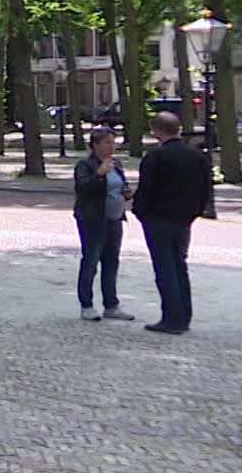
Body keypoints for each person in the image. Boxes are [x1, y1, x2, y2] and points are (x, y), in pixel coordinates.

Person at [131, 111, 213, 335]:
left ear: (156, 131)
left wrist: (140, 212)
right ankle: (183, 316)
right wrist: (194, 213)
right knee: (179, 267)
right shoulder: (198, 157)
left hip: (159, 219)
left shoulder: (155, 157)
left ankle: (172, 318)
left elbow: (146, 191)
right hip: (184, 220)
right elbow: (206, 189)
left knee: (165, 269)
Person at [73, 126, 135, 321]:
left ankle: (111, 304)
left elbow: (119, 185)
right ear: (95, 145)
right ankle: (86, 304)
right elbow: (83, 188)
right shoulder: (85, 165)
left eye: (113, 142)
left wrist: (126, 192)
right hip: (93, 220)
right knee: (91, 260)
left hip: (115, 218)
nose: (112, 146)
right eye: (107, 142)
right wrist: (99, 174)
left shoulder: (116, 164)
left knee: (111, 262)